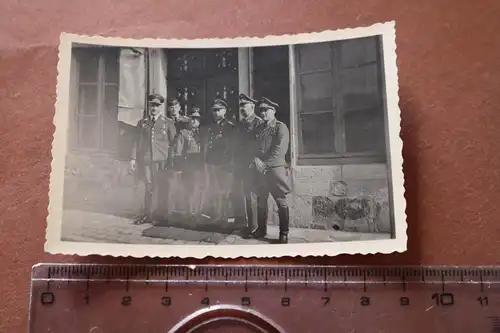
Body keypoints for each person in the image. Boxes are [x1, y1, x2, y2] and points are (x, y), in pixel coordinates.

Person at [129, 93, 177, 225]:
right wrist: (133, 159)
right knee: (149, 187)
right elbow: (136, 142)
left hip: (162, 161)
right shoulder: (143, 123)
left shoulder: (167, 123)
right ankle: (148, 214)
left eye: (157, 105)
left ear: (161, 107)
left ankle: (163, 216)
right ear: (149, 106)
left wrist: (171, 160)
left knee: (162, 187)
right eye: (152, 105)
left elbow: (173, 143)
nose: (154, 108)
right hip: (147, 160)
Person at [249, 97, 292, 244]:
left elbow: (279, 150)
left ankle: (284, 233)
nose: (262, 113)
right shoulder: (259, 128)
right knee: (261, 201)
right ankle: (262, 229)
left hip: (275, 170)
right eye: (260, 110)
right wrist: (255, 159)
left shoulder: (280, 127)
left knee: (281, 201)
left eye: (265, 110)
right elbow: (253, 147)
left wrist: (264, 164)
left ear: (273, 111)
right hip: (260, 170)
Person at [232, 93, 264, 233]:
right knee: (247, 194)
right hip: (243, 164)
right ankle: (250, 225)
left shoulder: (259, 123)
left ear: (252, 106)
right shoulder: (241, 124)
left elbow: (262, 145)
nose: (242, 108)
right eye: (240, 106)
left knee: (254, 195)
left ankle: (255, 227)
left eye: (244, 105)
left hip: (256, 165)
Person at [202, 98, 235, 222]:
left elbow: (232, 147)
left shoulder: (229, 127)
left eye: (218, 110)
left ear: (224, 111)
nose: (216, 113)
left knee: (224, 191)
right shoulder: (211, 127)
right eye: (214, 110)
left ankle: (224, 216)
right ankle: (217, 214)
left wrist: (230, 162)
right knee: (214, 189)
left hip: (224, 164)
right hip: (212, 163)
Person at [174, 108, 206, 217]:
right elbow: (178, 151)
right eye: (192, 119)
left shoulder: (203, 133)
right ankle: (189, 211)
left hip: (200, 165)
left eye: (197, 119)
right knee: (190, 188)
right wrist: (180, 166)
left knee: (199, 188)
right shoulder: (183, 133)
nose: (194, 121)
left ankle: (198, 211)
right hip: (188, 165)